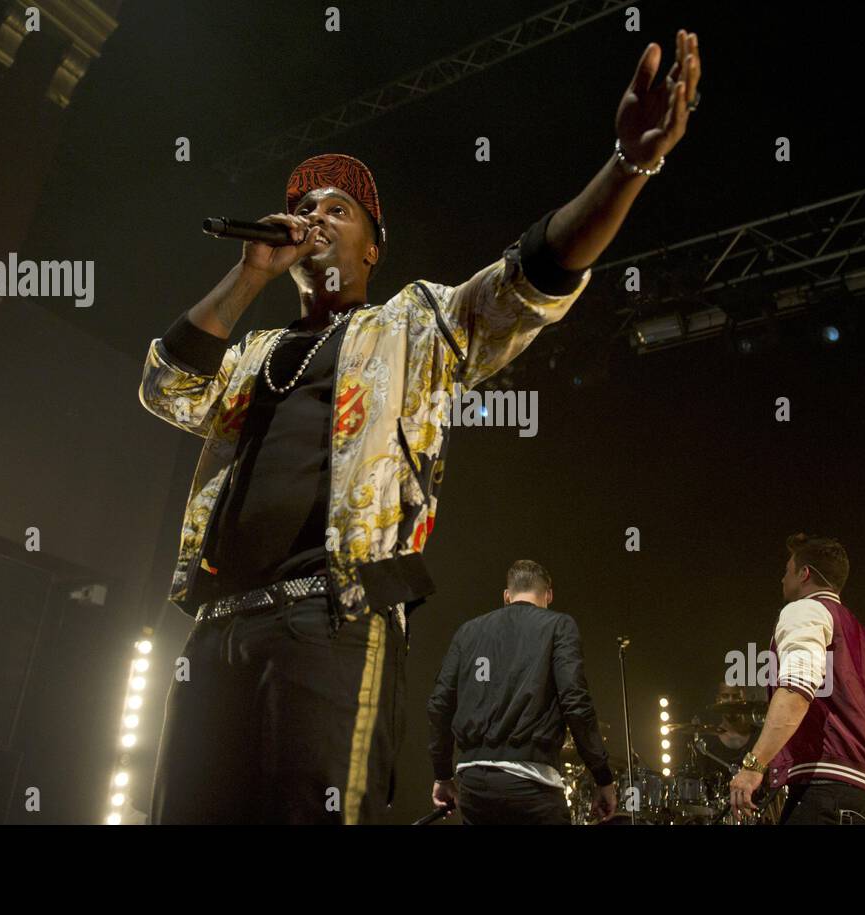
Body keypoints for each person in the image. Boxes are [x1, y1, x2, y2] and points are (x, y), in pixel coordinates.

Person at [139, 31, 703, 823]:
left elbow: (528, 281)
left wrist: (628, 164)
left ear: (375, 246)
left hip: (329, 618)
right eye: (302, 209)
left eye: (337, 211)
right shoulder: (255, 353)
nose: (312, 219)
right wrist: (248, 273)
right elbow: (168, 385)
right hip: (217, 628)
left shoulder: (408, 327)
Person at [427, 561, 617, 825]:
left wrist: (442, 774)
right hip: (533, 783)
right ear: (549, 594)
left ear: (507, 595)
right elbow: (575, 701)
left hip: (474, 785)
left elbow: (439, 704)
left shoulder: (467, 631)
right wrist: (602, 776)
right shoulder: (559, 626)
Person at [728, 534, 865, 824]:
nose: (782, 579)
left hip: (828, 792)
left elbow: (796, 688)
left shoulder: (805, 610)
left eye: (787, 571)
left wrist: (754, 765)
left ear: (804, 574)